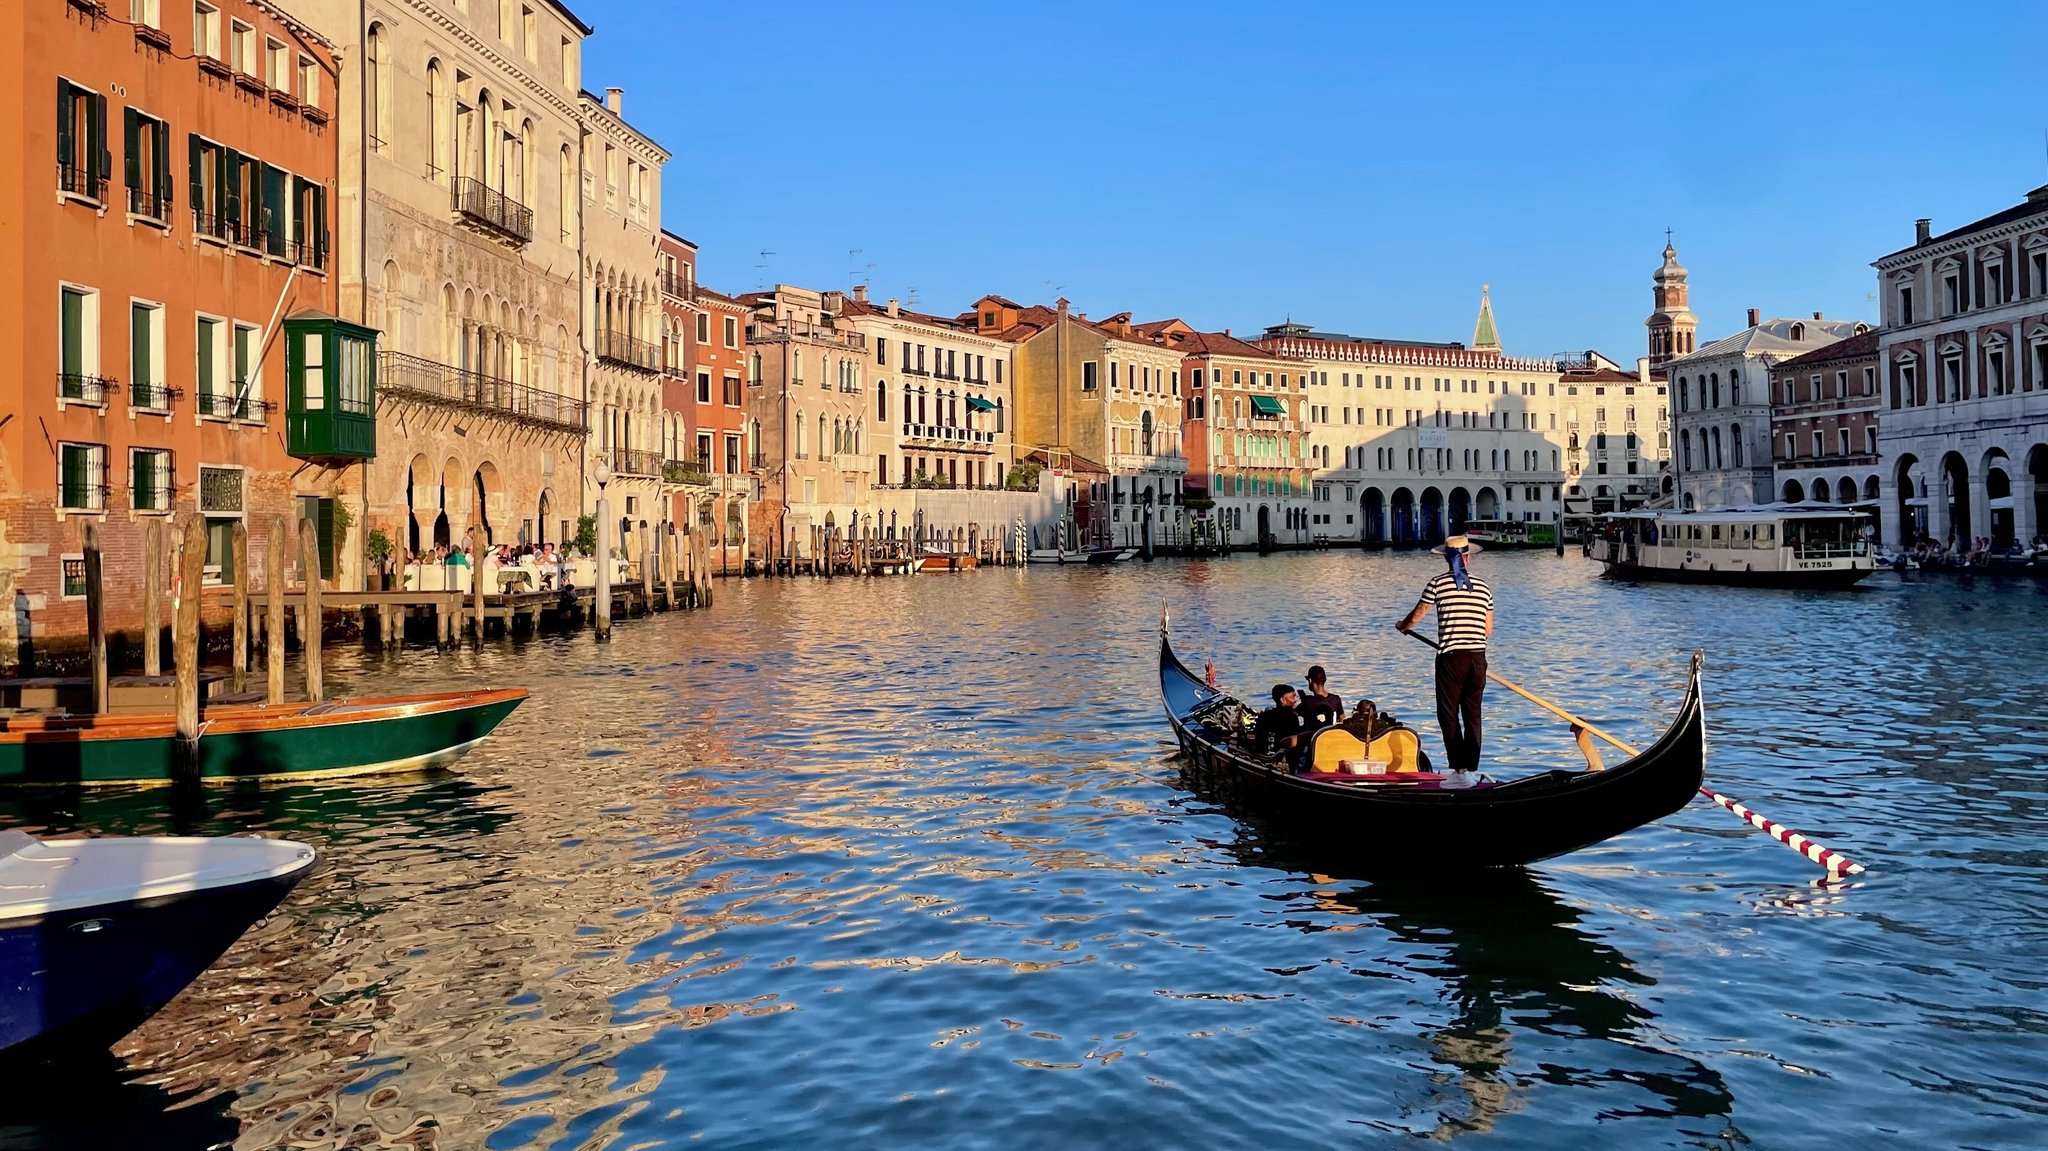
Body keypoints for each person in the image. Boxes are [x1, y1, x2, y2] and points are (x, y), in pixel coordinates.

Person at [1396, 534, 1494, 789]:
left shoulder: (1437, 584)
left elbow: (1417, 615)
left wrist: (1403, 626)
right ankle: (1470, 770)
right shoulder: (1483, 587)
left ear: (1447, 560)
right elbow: (1488, 630)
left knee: (1448, 714)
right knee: (1473, 716)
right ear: (1467, 557)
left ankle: (1460, 772)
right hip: (1477, 659)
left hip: (1451, 658)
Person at [1252, 684, 1309, 763]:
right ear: (1283, 700)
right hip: (1282, 755)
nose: (1295, 700)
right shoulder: (1292, 717)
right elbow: (1293, 742)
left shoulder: (1265, 715)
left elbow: (1257, 733)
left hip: (1264, 754)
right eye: (1292, 697)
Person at [1296, 665, 1344, 734]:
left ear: (1310, 681)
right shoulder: (1336, 699)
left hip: (1312, 739)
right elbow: (1342, 720)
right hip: (1331, 736)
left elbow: (1293, 715)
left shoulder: (1307, 702)